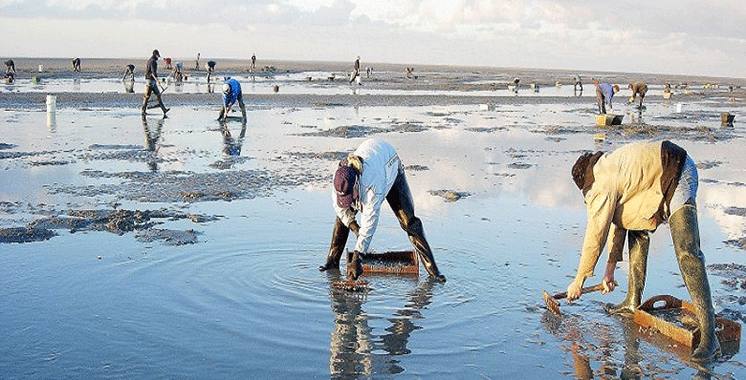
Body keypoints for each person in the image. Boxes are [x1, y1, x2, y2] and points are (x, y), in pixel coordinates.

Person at [566, 140, 720, 362]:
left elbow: (595, 234)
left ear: (585, 185)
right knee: (634, 225)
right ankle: (632, 301)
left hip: (677, 169)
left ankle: (709, 336)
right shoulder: (610, 171)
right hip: (657, 179)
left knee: (688, 253)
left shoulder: (600, 181)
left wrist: (579, 280)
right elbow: (618, 225)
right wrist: (608, 273)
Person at [319, 138, 446, 283]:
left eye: (350, 196)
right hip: (373, 155)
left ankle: (433, 271)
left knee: (409, 222)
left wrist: (357, 258)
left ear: (356, 185)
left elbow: (369, 225)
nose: (347, 199)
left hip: (389, 165)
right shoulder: (340, 179)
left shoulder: (372, 188)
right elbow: (340, 209)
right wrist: (353, 226)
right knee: (343, 216)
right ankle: (332, 262)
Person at [141, 49, 169, 116]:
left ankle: (164, 109)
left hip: (151, 80)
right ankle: (143, 110)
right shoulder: (153, 62)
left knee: (158, 95)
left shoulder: (150, 60)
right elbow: (153, 71)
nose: (158, 57)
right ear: (156, 55)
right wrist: (157, 79)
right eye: (158, 56)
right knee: (147, 96)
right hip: (150, 81)